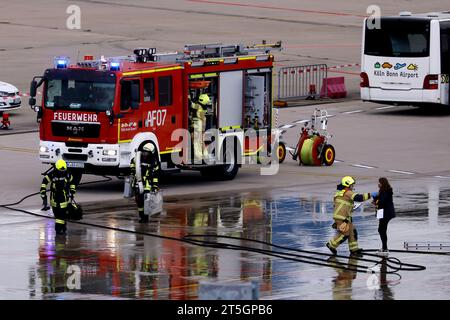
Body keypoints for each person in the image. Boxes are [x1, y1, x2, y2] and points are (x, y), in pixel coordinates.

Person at [326, 176, 377, 256]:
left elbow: (345, 204)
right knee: (345, 234)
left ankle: (354, 250)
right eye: (352, 185)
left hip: (344, 217)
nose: (353, 187)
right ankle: (331, 245)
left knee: (352, 232)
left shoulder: (341, 192)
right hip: (342, 217)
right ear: (347, 185)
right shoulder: (347, 192)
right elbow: (358, 197)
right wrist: (371, 195)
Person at [40, 159, 77, 235]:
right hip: (54, 198)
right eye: (61, 171)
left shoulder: (67, 173)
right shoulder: (52, 174)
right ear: (56, 168)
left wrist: (72, 191)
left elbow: (73, 181)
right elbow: (44, 181)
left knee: (61, 215)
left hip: (63, 198)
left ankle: (59, 230)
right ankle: (62, 228)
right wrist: (43, 191)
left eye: (63, 170)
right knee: (57, 215)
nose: (62, 172)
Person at [130, 143, 160, 223]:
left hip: (147, 184)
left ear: (151, 153)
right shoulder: (137, 158)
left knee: (146, 201)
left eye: (146, 152)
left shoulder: (154, 163)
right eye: (143, 152)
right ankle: (141, 216)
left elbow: (155, 176)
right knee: (139, 200)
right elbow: (132, 163)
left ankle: (145, 217)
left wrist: (155, 186)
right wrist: (133, 170)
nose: (144, 154)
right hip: (138, 183)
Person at [373, 177, 396, 256]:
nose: (378, 184)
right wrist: (376, 199)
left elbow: (382, 201)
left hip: (385, 212)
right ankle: (384, 247)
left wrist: (375, 200)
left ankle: (385, 249)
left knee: (381, 230)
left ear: (382, 183)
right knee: (381, 230)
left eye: (379, 183)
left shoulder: (386, 191)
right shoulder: (383, 190)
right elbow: (379, 200)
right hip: (381, 212)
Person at [190, 93, 211, 162]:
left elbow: (191, 104)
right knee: (201, 142)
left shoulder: (198, 106)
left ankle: (199, 157)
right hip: (200, 125)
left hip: (197, 125)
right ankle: (205, 155)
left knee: (196, 142)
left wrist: (189, 97)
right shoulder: (203, 108)